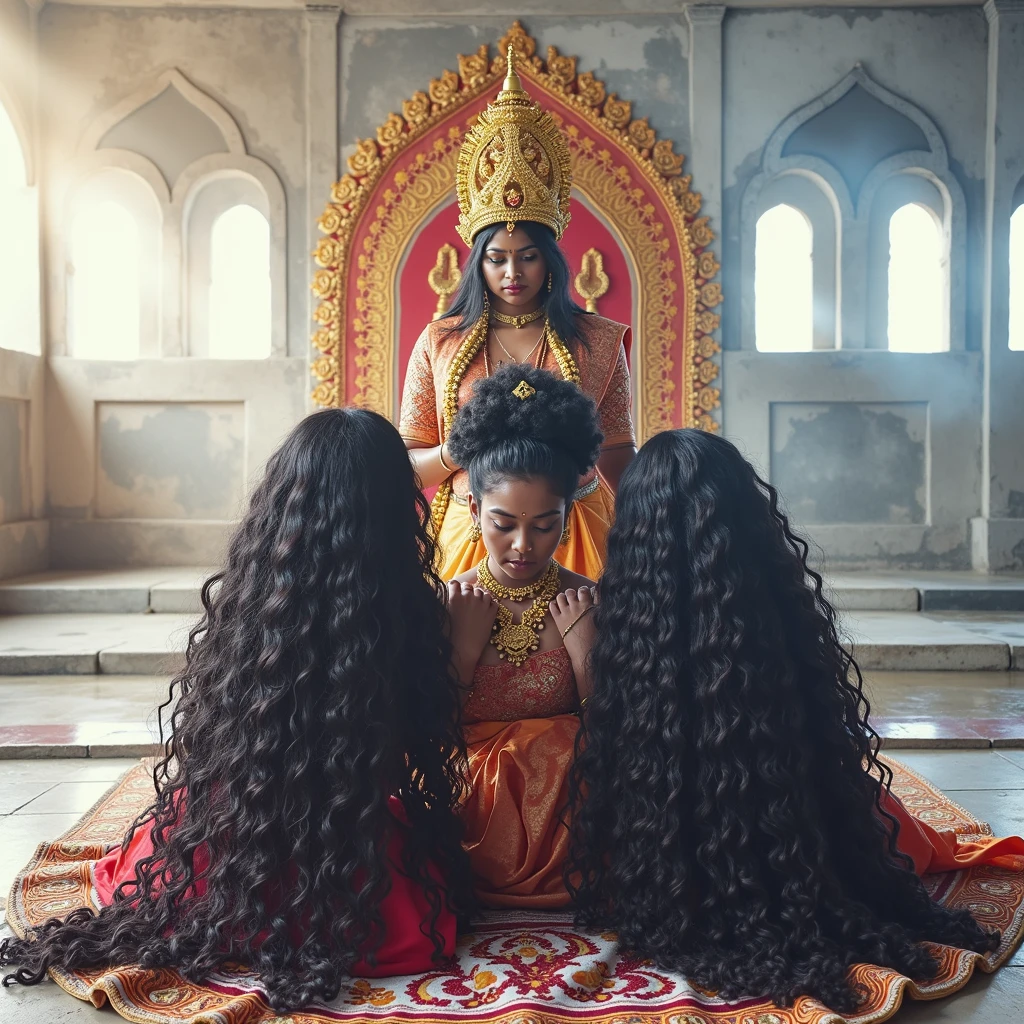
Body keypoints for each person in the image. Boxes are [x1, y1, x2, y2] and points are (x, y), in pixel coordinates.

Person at [0, 409, 473, 1012]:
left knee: (175, 853)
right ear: (393, 512)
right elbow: (413, 743)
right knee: (414, 902)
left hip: (231, 830)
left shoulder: (258, 596)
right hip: (346, 842)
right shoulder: (407, 611)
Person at [568, 427, 1024, 1013]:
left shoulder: (628, 630)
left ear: (634, 535)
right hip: (794, 838)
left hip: (676, 863)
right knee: (893, 823)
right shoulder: (775, 617)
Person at [401, 49, 635, 581]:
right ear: (477, 263)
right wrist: (456, 450)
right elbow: (408, 468)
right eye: (497, 258)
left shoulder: (596, 340)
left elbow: (620, 454)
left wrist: (661, 518)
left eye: (528, 256)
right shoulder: (439, 342)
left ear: (548, 261)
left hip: (576, 526)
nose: (513, 272)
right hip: (474, 529)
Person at [445, 364, 601, 907]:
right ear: (473, 510)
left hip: (571, 812)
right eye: (503, 523)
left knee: (568, 753)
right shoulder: (447, 604)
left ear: (566, 516)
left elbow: (620, 734)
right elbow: (424, 734)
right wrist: (462, 652)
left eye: (544, 525)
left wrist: (587, 662)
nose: (521, 546)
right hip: (466, 802)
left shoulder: (589, 601)